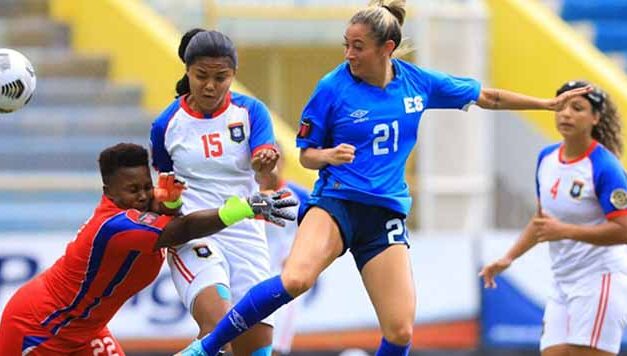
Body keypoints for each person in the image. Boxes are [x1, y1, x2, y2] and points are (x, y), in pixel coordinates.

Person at [177, 1, 596, 355]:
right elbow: (305, 155)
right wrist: (328, 155)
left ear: (387, 49)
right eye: (346, 46)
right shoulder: (332, 88)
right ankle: (206, 348)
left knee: (400, 331)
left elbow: (487, 96)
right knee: (296, 279)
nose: (348, 55)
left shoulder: (418, 83)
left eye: (358, 47)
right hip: (336, 204)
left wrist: (544, 103)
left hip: (384, 216)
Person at [0, 143, 296, 355]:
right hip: (37, 328)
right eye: (132, 190)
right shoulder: (115, 226)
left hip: (85, 331)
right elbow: (181, 230)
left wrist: (171, 204)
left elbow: (177, 226)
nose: (142, 196)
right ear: (109, 193)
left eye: (146, 186)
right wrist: (244, 208)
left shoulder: (145, 209)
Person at [150, 28, 280, 355]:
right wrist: (170, 204)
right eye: (201, 76)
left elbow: (268, 169)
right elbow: (165, 190)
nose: (210, 85)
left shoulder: (251, 112)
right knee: (218, 331)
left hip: (245, 234)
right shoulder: (166, 125)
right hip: (196, 232)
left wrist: (266, 164)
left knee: (257, 348)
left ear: (233, 74)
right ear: (187, 72)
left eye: (221, 77)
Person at [480, 81, 627, 356]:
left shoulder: (605, 167)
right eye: (560, 106)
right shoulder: (546, 158)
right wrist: (508, 258)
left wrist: (566, 231)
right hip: (562, 281)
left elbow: (624, 230)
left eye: (577, 108)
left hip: (599, 280)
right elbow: (543, 223)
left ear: (595, 118)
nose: (566, 114)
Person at [258, 148, 310, 356]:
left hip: (284, 278)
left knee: (278, 344)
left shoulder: (300, 196)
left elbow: (319, 225)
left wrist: (301, 255)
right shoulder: (249, 198)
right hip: (252, 274)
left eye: (276, 163)